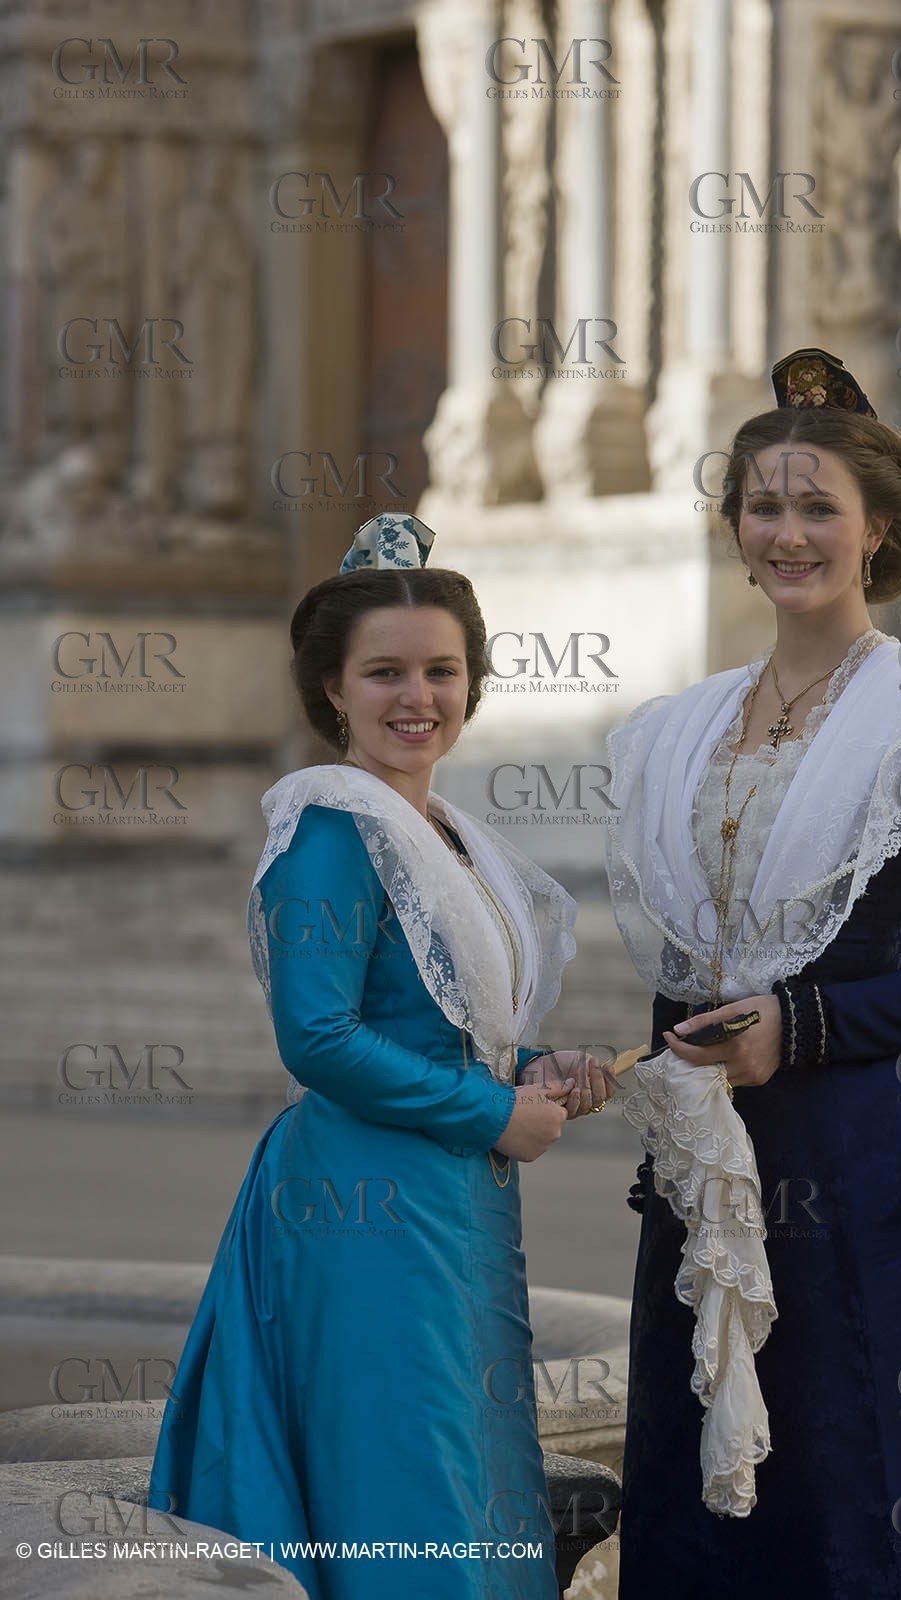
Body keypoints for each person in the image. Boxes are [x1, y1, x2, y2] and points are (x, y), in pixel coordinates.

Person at [606, 351, 901, 1597]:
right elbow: (681, 969)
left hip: (870, 1163)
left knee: (876, 1479)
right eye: (764, 504)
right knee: (716, 1485)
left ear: (878, 532)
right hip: (713, 1169)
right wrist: (665, 1107)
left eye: (817, 508)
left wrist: (797, 1028)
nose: (788, 531)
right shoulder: (676, 728)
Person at [149, 513, 615, 1600]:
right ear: (332, 691)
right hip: (361, 1199)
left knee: (460, 1453)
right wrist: (492, 1111)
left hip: (446, 1187)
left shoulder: (437, 831)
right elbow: (317, 1038)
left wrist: (536, 1067)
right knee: (406, 1470)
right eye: (385, 673)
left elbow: (443, 1024)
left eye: (441, 671)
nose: (418, 697)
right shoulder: (327, 830)